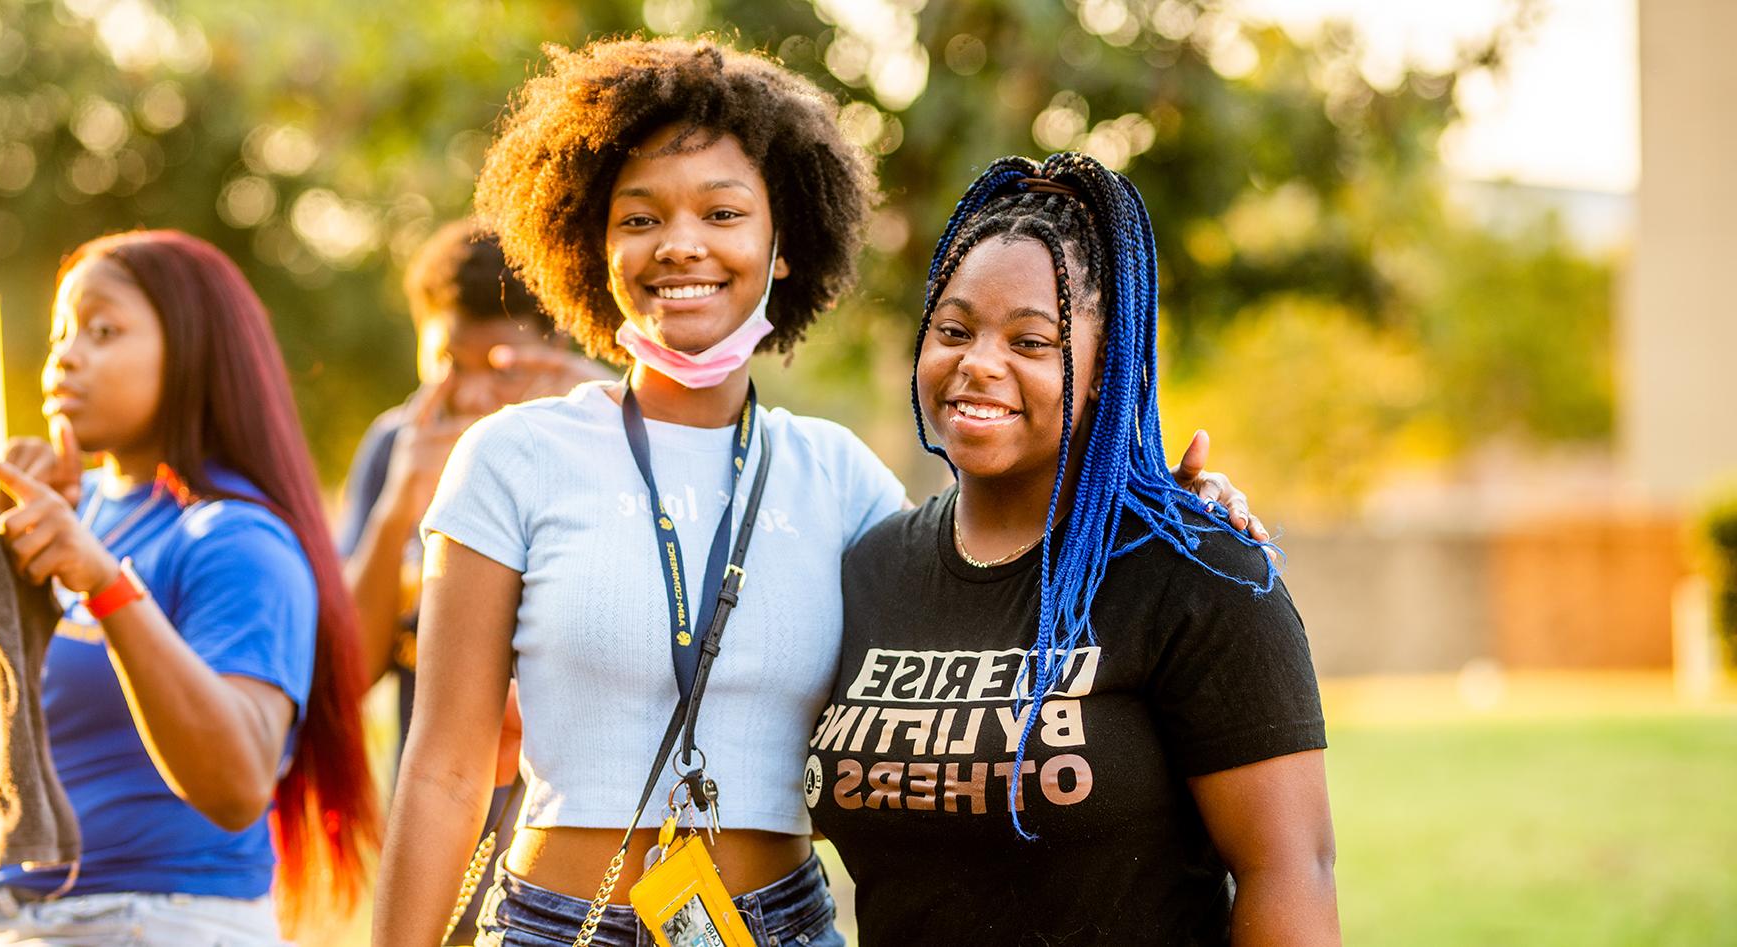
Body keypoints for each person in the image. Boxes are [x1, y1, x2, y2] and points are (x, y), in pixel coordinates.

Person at [369, 39, 1261, 947]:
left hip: (779, 927)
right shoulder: (511, 459)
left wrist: (1163, 507)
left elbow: (1011, 573)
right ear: (594, 247)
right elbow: (442, 770)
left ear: (782, 245)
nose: (681, 244)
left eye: (722, 211)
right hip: (559, 925)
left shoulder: (841, 482)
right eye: (639, 219)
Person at [0, 230, 377, 944]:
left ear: (194, 350)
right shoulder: (51, 516)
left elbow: (239, 783)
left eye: (103, 330)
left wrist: (107, 586)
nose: (66, 356)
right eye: (61, 333)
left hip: (152, 920)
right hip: (4, 924)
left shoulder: (232, 540)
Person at [804, 155, 1337, 945]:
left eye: (1031, 340)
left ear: (1100, 371)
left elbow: (1291, 870)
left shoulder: (1196, 574)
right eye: (954, 330)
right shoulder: (869, 566)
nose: (979, 363)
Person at [338, 219, 604, 942]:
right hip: (446, 856)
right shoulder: (399, 445)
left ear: (561, 353)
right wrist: (398, 507)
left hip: (576, 871)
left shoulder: (601, 450)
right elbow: (348, 674)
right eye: (449, 361)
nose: (477, 392)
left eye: (504, 365)